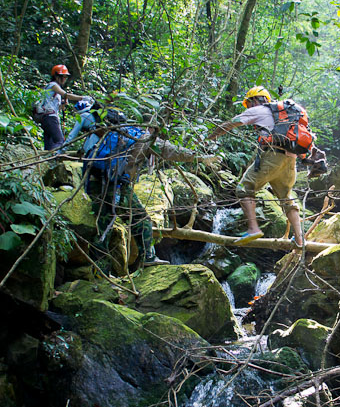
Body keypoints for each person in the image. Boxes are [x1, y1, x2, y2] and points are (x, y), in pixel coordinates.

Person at [82, 112, 218, 272]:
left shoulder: (114, 134)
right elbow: (171, 151)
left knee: (103, 227)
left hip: (97, 182)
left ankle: (98, 272)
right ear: (153, 128)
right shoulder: (144, 138)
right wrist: (200, 158)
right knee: (140, 221)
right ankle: (146, 258)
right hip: (116, 187)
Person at [208, 85, 303, 246]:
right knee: (287, 199)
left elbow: (230, 124)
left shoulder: (259, 110)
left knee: (244, 189)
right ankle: (300, 239)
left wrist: (209, 138)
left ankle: (253, 228)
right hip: (290, 159)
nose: (248, 107)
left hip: (272, 156)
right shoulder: (284, 115)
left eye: (248, 103)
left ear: (254, 100)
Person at [34, 64, 85, 150]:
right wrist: (82, 98)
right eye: (63, 76)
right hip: (50, 117)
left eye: (66, 77)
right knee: (60, 141)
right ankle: (56, 156)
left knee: (50, 144)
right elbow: (66, 95)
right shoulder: (53, 85)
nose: (65, 79)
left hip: (47, 118)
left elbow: (58, 108)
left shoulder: (54, 89)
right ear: (56, 76)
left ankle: (48, 158)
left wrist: (63, 104)